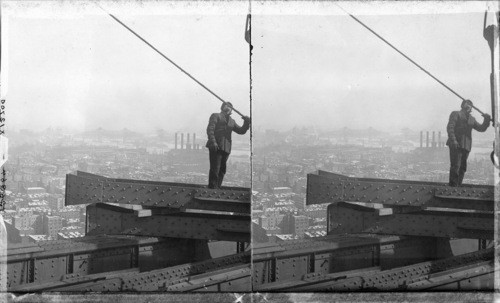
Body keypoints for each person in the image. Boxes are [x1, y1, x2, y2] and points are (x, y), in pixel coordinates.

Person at [446, 99, 491, 186]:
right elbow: (450, 128)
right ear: (462, 106)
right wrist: (454, 141)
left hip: (466, 146)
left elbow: (481, 128)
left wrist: (486, 120)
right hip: (456, 145)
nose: (468, 106)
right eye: (467, 104)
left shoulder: (472, 119)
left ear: (471, 108)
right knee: (456, 166)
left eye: (470, 105)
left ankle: (458, 185)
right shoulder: (456, 114)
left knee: (462, 168)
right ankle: (453, 186)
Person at [206, 102, 250, 189]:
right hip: (216, 146)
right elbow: (210, 130)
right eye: (227, 105)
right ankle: (212, 188)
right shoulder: (216, 116)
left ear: (231, 111)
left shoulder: (231, 121)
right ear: (222, 107)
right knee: (215, 169)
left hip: (226, 148)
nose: (228, 107)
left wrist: (246, 122)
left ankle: (217, 187)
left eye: (230, 107)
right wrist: (213, 142)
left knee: (222, 170)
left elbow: (241, 131)